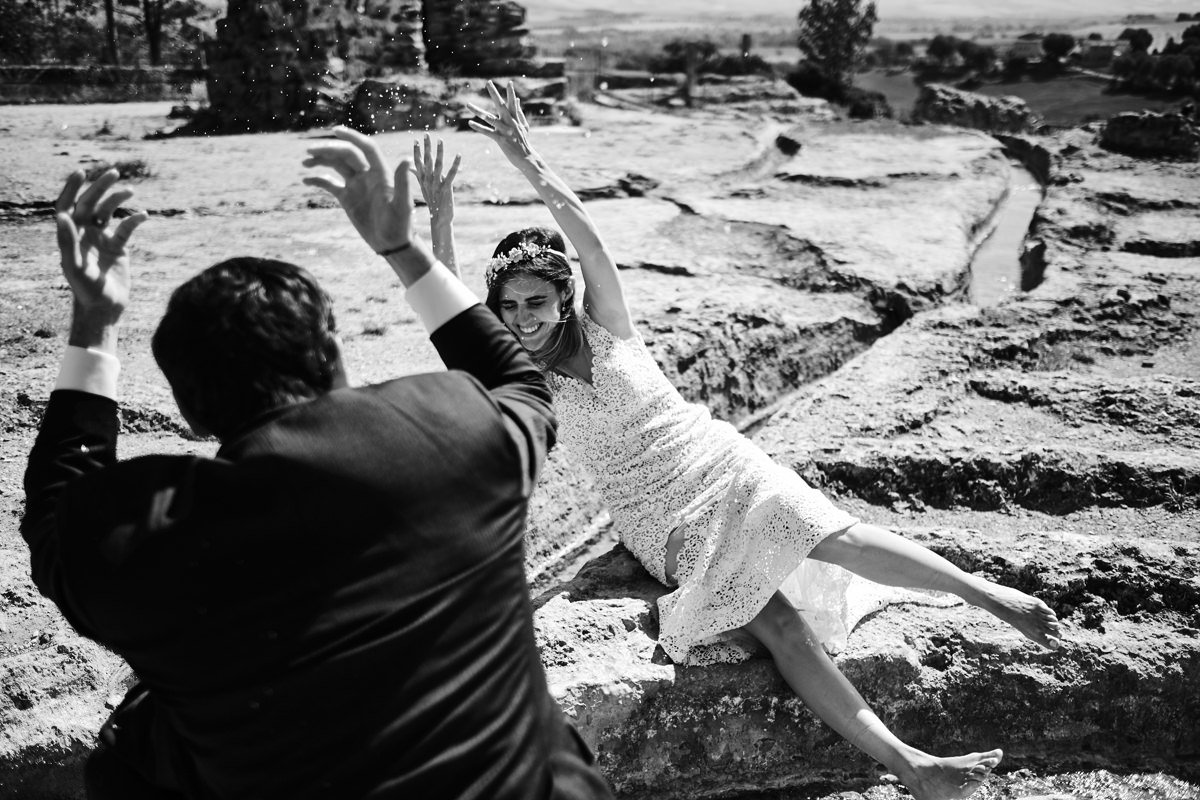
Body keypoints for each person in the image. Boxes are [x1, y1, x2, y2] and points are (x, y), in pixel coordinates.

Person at [412, 81, 1066, 800]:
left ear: (563, 297)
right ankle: (914, 766)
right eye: (509, 308)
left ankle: (988, 596)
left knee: (829, 532)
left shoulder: (606, 321)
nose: (523, 318)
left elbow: (587, 234)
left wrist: (525, 155)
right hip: (658, 518)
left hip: (718, 460)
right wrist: (438, 221)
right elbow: (455, 324)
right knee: (783, 628)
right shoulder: (519, 373)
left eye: (535, 302)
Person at [22, 128, 614, 800]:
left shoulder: (144, 543)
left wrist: (94, 323)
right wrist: (402, 249)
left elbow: (54, 511)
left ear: (190, 415)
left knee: (134, 741)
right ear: (333, 360)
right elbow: (520, 382)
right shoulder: (452, 437)